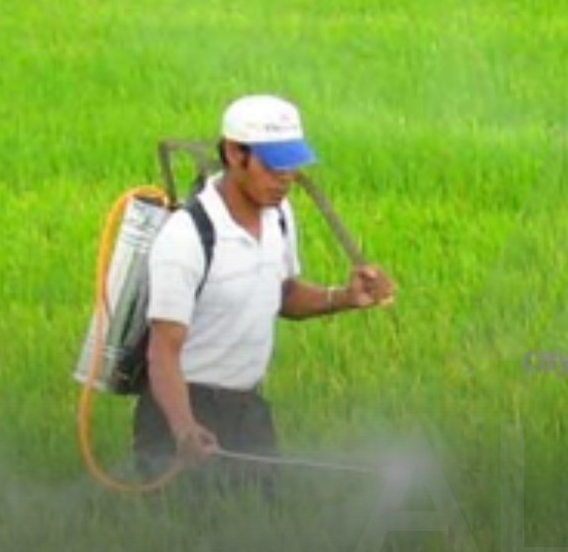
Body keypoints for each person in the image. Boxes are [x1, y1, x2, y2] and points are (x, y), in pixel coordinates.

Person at [135, 94, 395, 487]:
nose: (286, 179)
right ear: (235, 154)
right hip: (185, 407)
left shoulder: (279, 216)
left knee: (268, 523)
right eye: (274, 167)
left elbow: (282, 293)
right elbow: (162, 350)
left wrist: (343, 297)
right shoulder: (187, 238)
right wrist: (185, 429)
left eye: (292, 167)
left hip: (249, 409)